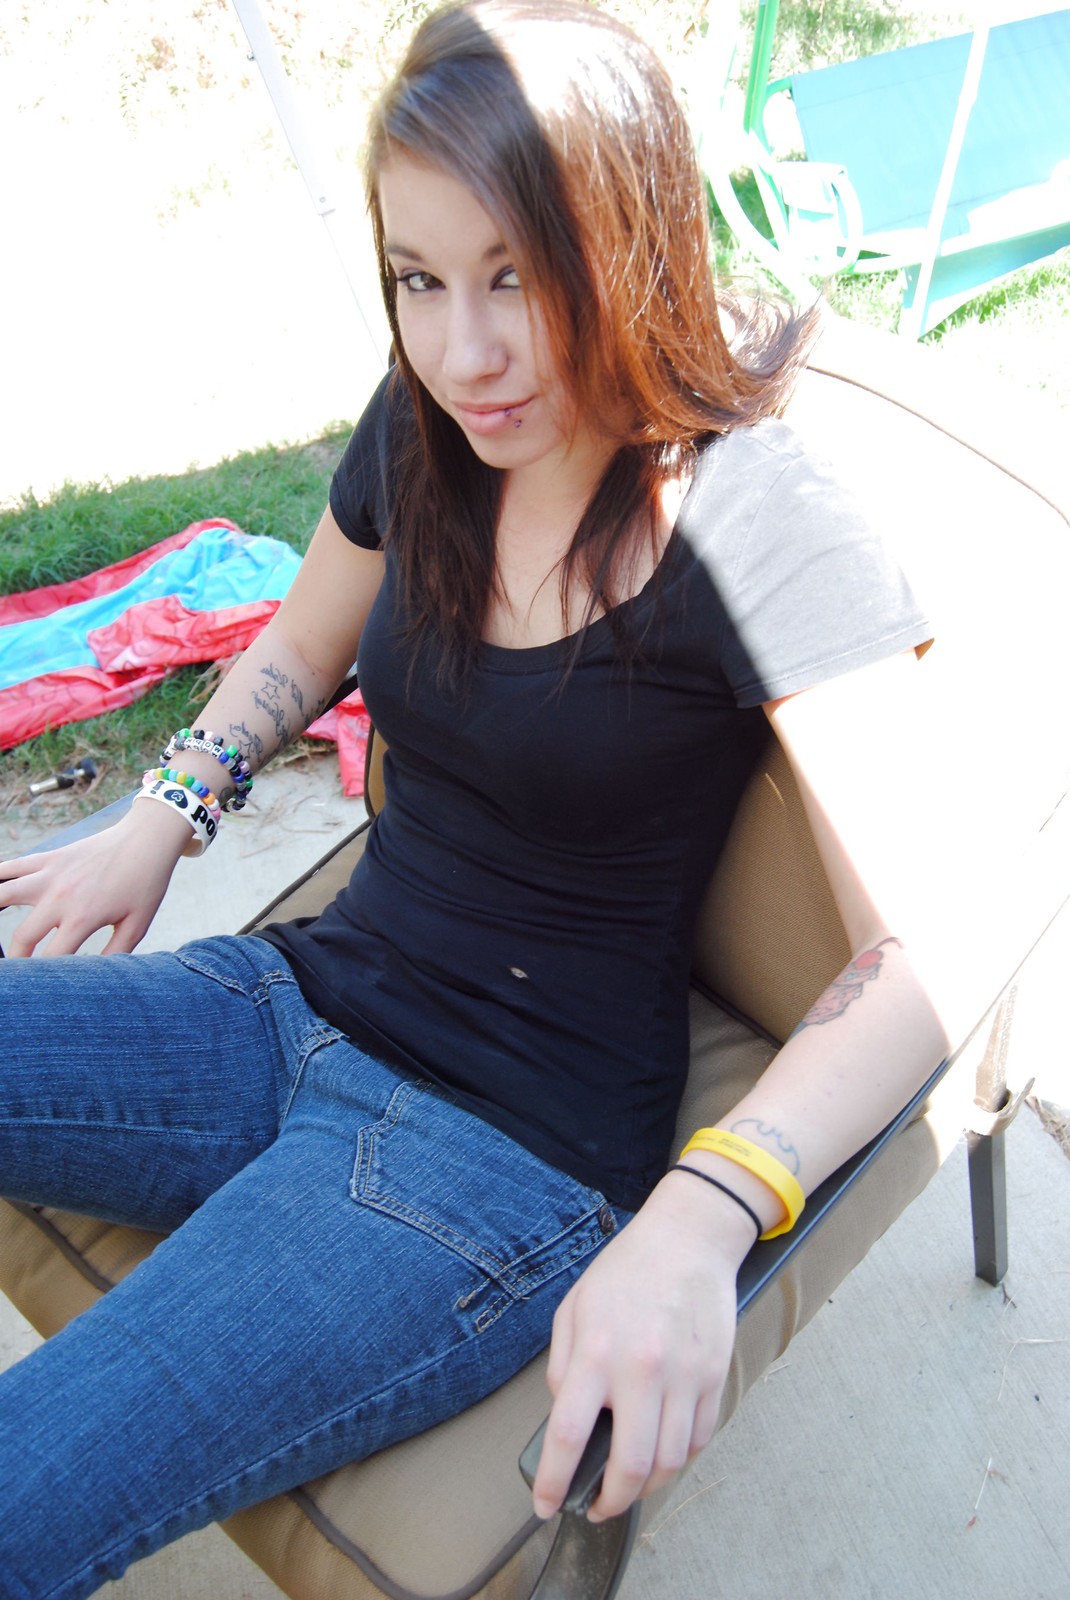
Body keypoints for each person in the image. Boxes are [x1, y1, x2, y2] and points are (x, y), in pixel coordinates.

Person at [0, 2, 946, 1594]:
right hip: (286, 1002)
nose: (463, 353)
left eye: (516, 275)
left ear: (629, 242)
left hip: (492, 1159)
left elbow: (916, 957)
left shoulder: (758, 514)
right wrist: (159, 819)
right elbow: (296, 645)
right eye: (418, 281)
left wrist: (707, 1209)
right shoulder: (427, 429)